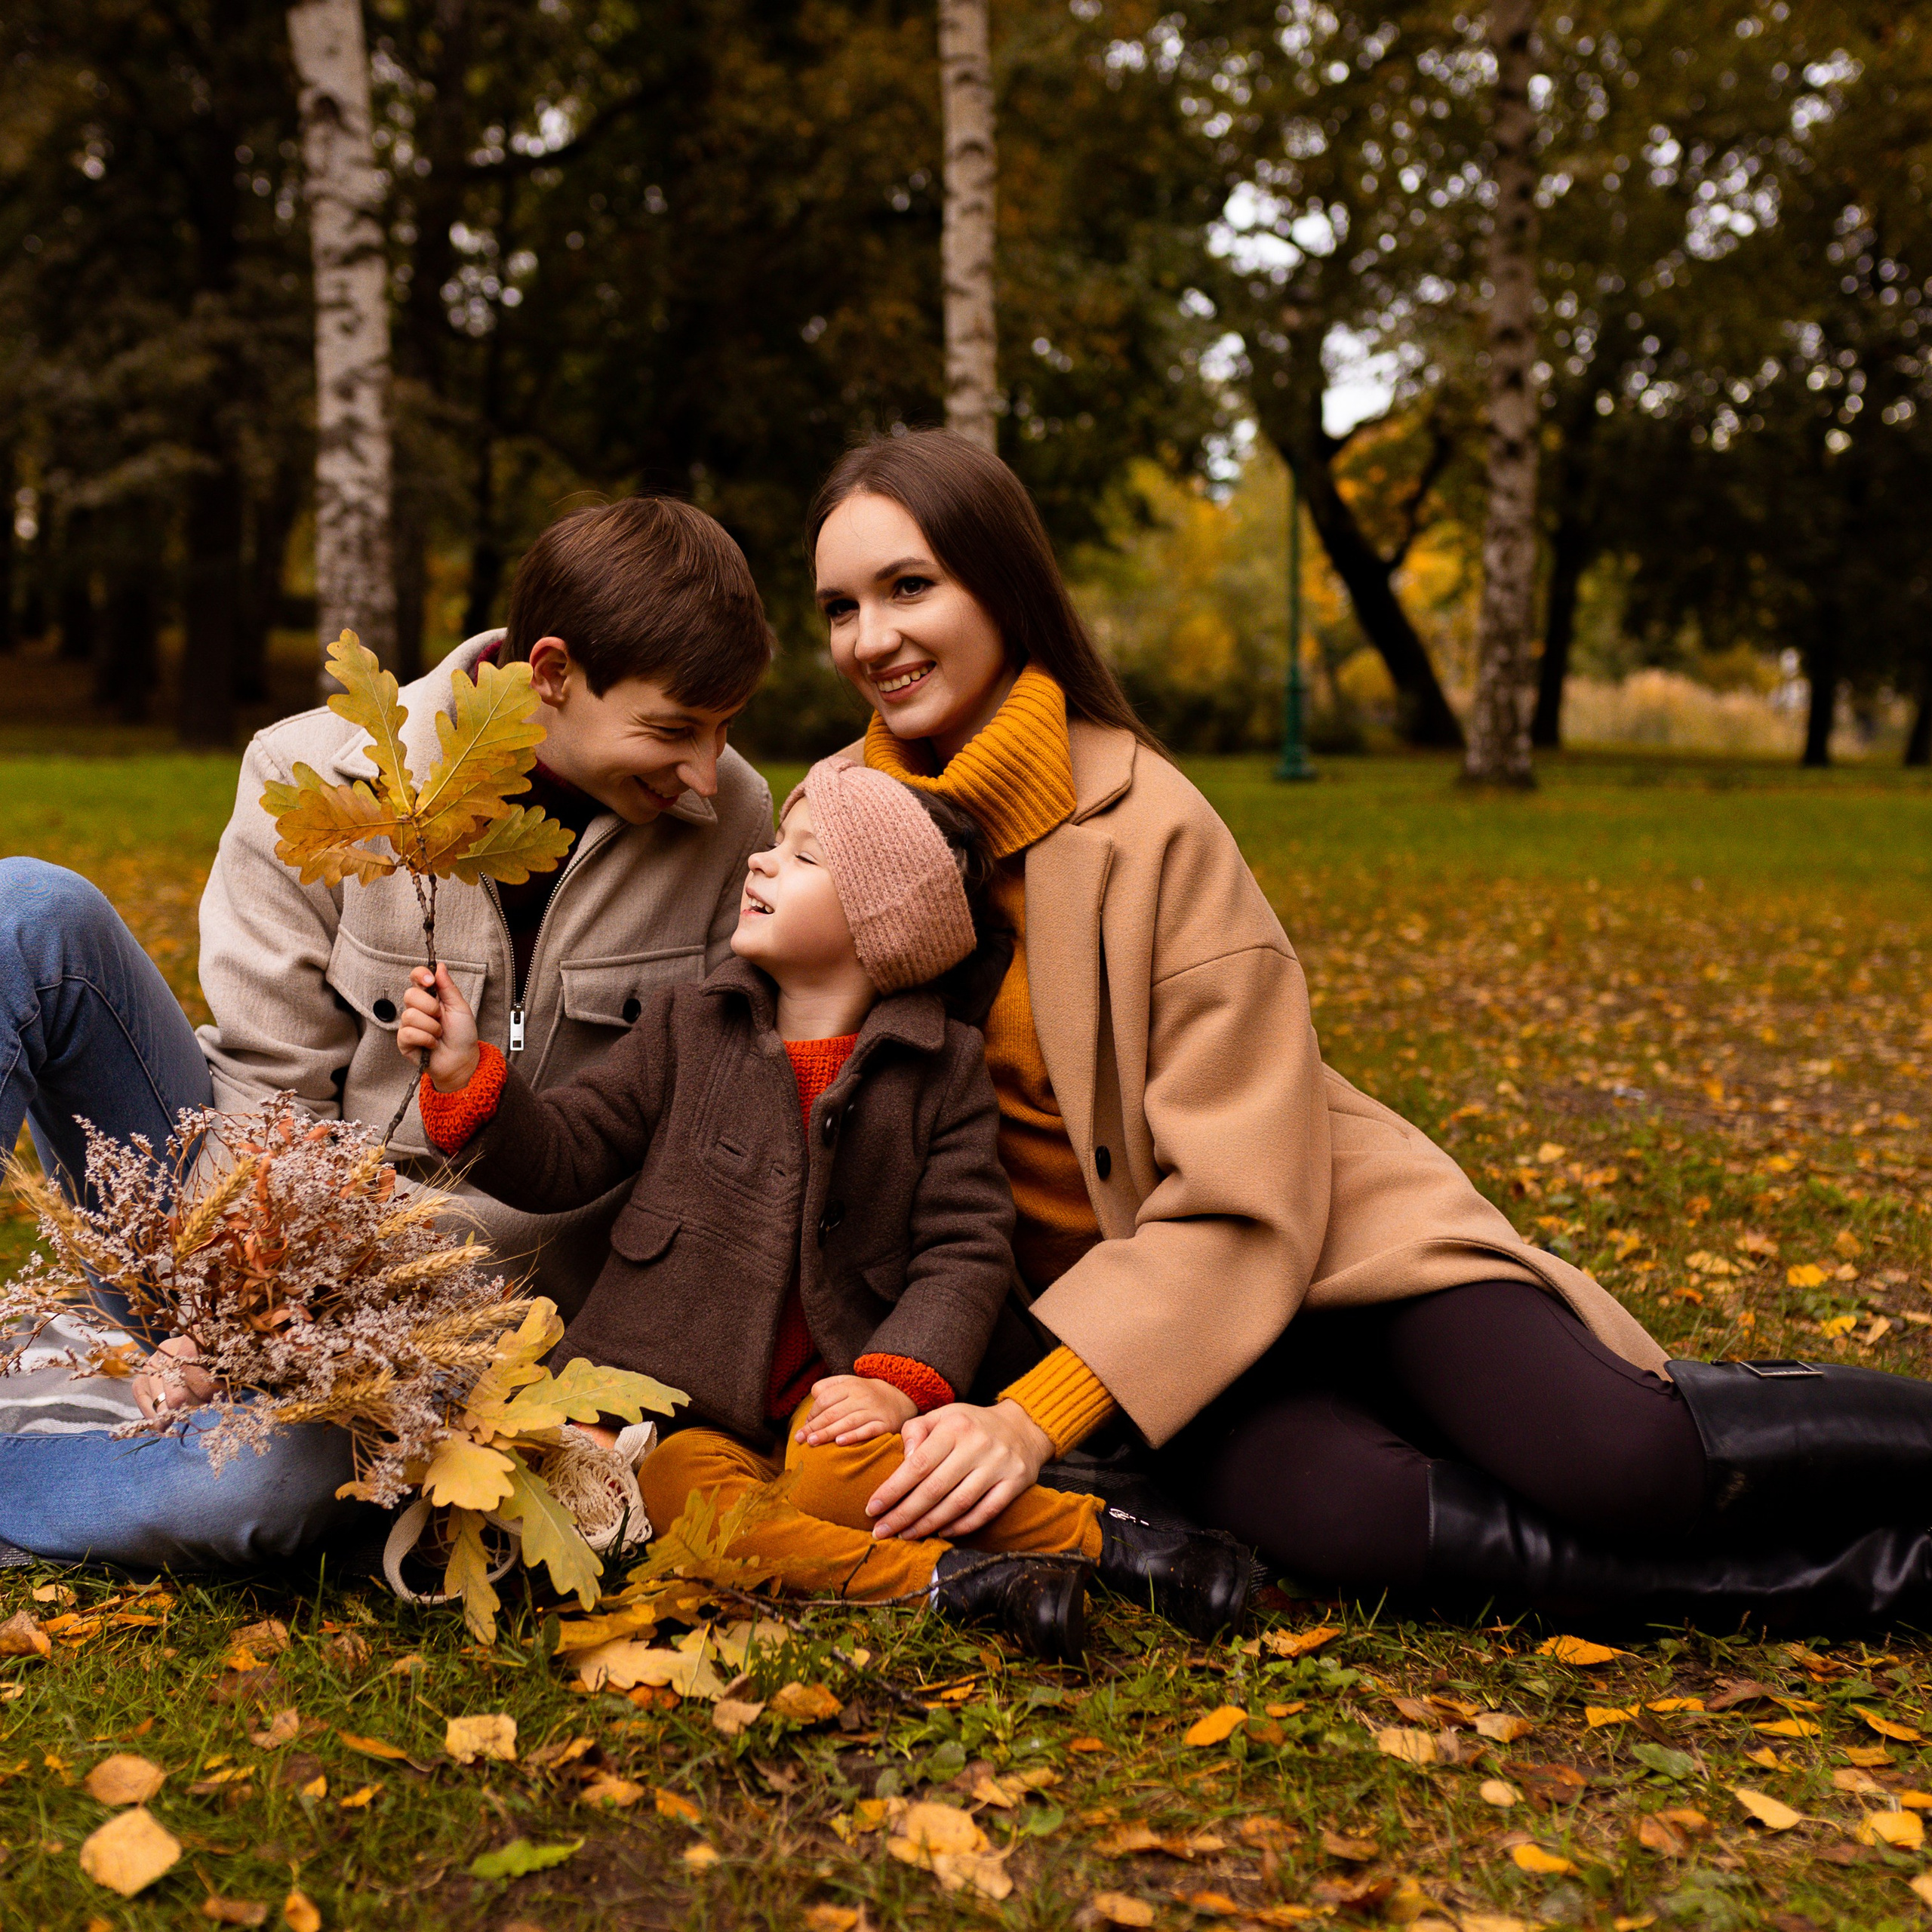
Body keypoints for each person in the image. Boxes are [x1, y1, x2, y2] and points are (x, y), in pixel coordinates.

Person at [802, 427, 1932, 1631]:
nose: (872, 640)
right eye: (838, 608)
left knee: (1616, 1461)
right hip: (1167, 1343)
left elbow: (1245, 1187)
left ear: (1004, 585)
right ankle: (1894, 1579)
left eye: (909, 586)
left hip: (1330, 1237)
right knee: (1352, 1527)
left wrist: (1037, 1415)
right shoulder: (820, 836)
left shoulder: (1152, 828)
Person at [0, 496, 776, 1568]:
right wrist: (245, 1311)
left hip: (465, 1335)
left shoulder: (734, 822)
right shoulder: (309, 770)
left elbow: (699, 1144)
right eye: (675, 729)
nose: (706, 770)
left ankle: (70, 1474)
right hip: (247, 1243)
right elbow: (267, 1092)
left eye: (728, 727)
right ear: (550, 673)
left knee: (265, 1488)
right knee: (30, 917)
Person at [398, 757, 1251, 1660]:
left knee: (845, 1473)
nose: (761, 864)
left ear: (881, 923)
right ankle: (962, 1584)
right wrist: (468, 1078)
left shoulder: (939, 1069)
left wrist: (897, 1379)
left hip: (836, 1404)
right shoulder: (691, 1025)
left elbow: (965, 1247)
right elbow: (568, 1154)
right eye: (772, 846)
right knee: (686, 1499)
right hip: (691, 1407)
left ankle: (1115, 1542)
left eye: (802, 858)